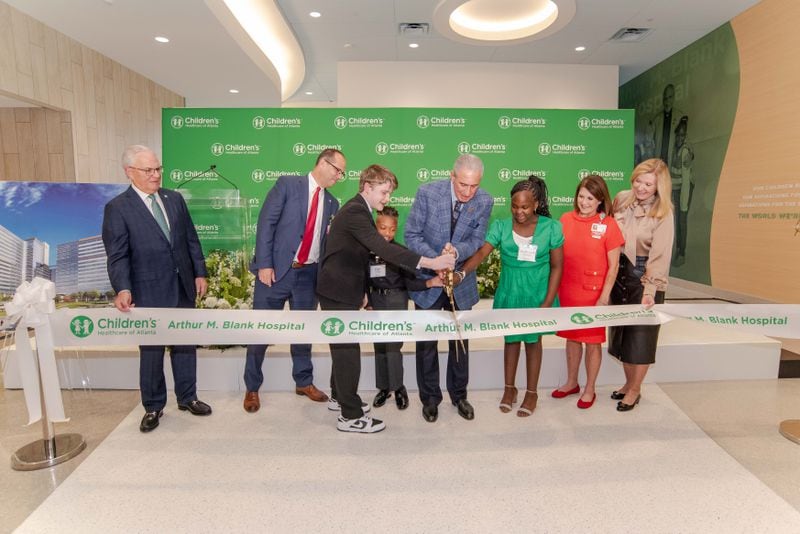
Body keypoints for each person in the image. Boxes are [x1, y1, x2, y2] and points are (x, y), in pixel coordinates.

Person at [317, 164, 455, 433]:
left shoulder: (360, 210)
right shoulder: (357, 212)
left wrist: (362, 292)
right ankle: (350, 416)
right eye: (383, 192)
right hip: (337, 291)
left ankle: (340, 397)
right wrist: (431, 261)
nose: (387, 199)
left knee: (343, 350)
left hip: (343, 289)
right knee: (347, 353)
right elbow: (383, 248)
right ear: (367, 187)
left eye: (389, 194)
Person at [102, 145, 211, 433]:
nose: (156, 175)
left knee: (185, 345)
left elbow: (191, 239)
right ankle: (153, 406)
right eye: (148, 170)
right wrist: (123, 288)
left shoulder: (173, 198)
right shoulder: (117, 208)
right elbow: (117, 256)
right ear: (130, 172)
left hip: (183, 285)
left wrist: (200, 272)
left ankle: (188, 397)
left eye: (158, 168)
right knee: (151, 352)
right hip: (148, 290)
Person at [243, 149, 344, 413]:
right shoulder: (288, 184)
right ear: (323, 163)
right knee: (260, 332)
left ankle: (304, 382)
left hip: (308, 275)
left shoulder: (332, 202)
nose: (339, 176)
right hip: (275, 272)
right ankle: (252, 387)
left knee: (303, 332)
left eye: (342, 173)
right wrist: (264, 264)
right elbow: (266, 223)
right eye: (337, 170)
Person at [459, 176, 563, 417]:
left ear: (536, 204)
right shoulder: (501, 226)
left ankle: (532, 392)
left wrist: (548, 301)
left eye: (525, 206)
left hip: (537, 293)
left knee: (533, 342)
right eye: (515, 206)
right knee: (511, 340)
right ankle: (509, 389)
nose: (519, 211)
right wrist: (461, 273)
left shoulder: (551, 227)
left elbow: (557, 267)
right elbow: (482, 253)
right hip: (510, 292)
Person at [404, 153, 494, 423]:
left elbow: (477, 240)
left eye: (474, 186)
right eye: (462, 185)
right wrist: (436, 261)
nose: (468, 192)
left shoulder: (485, 200)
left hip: (461, 283)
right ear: (451, 176)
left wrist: (456, 252)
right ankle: (430, 399)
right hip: (429, 280)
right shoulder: (427, 193)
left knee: (459, 344)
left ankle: (459, 395)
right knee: (427, 344)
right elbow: (411, 235)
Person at [608, 158, 674, 412]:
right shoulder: (622, 198)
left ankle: (635, 389)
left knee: (640, 338)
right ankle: (627, 383)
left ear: (659, 187)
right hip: (620, 274)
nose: (642, 187)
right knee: (622, 335)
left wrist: (650, 291)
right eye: (639, 180)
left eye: (649, 184)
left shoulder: (664, 211)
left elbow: (660, 256)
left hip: (645, 277)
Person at [553, 175, 624, 409]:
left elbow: (613, 266)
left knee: (592, 342)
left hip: (594, 294)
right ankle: (571, 382)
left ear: (601, 200)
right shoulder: (564, 219)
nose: (584, 202)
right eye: (581, 196)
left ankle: (590, 388)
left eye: (590, 198)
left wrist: (604, 298)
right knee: (572, 338)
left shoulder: (609, 225)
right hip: (569, 289)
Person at [367, 206, 441, 410]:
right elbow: (363, 278)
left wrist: (430, 283)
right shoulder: (367, 251)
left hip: (396, 300)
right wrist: (368, 301)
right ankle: (383, 388)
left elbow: (411, 282)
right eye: (383, 228)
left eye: (392, 229)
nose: (387, 233)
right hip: (376, 301)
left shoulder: (400, 252)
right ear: (375, 226)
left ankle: (398, 387)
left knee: (393, 346)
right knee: (379, 346)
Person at [670, 116, 694, 267]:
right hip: (676, 189)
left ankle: (682, 253)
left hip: (684, 190)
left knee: (682, 220)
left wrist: (684, 203)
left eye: (682, 135)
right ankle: (678, 249)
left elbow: (685, 181)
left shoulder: (685, 152)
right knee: (677, 220)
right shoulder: (675, 148)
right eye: (678, 134)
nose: (680, 137)